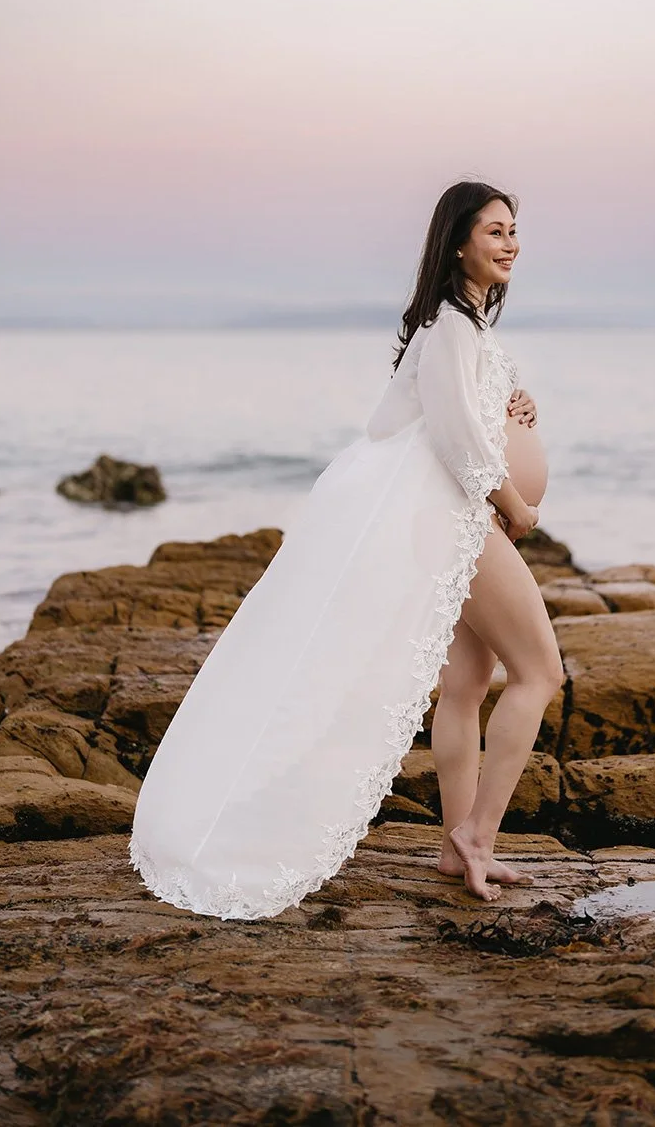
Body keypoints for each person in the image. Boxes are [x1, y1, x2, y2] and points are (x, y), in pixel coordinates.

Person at [129, 180, 564, 917]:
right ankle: (478, 837)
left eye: (514, 230)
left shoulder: (461, 326)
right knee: (539, 671)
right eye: (494, 231)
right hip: (463, 519)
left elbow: (458, 412)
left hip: (466, 518)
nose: (510, 244)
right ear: (457, 243)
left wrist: (520, 404)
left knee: (466, 685)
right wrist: (516, 505)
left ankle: (453, 844)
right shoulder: (451, 326)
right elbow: (456, 439)